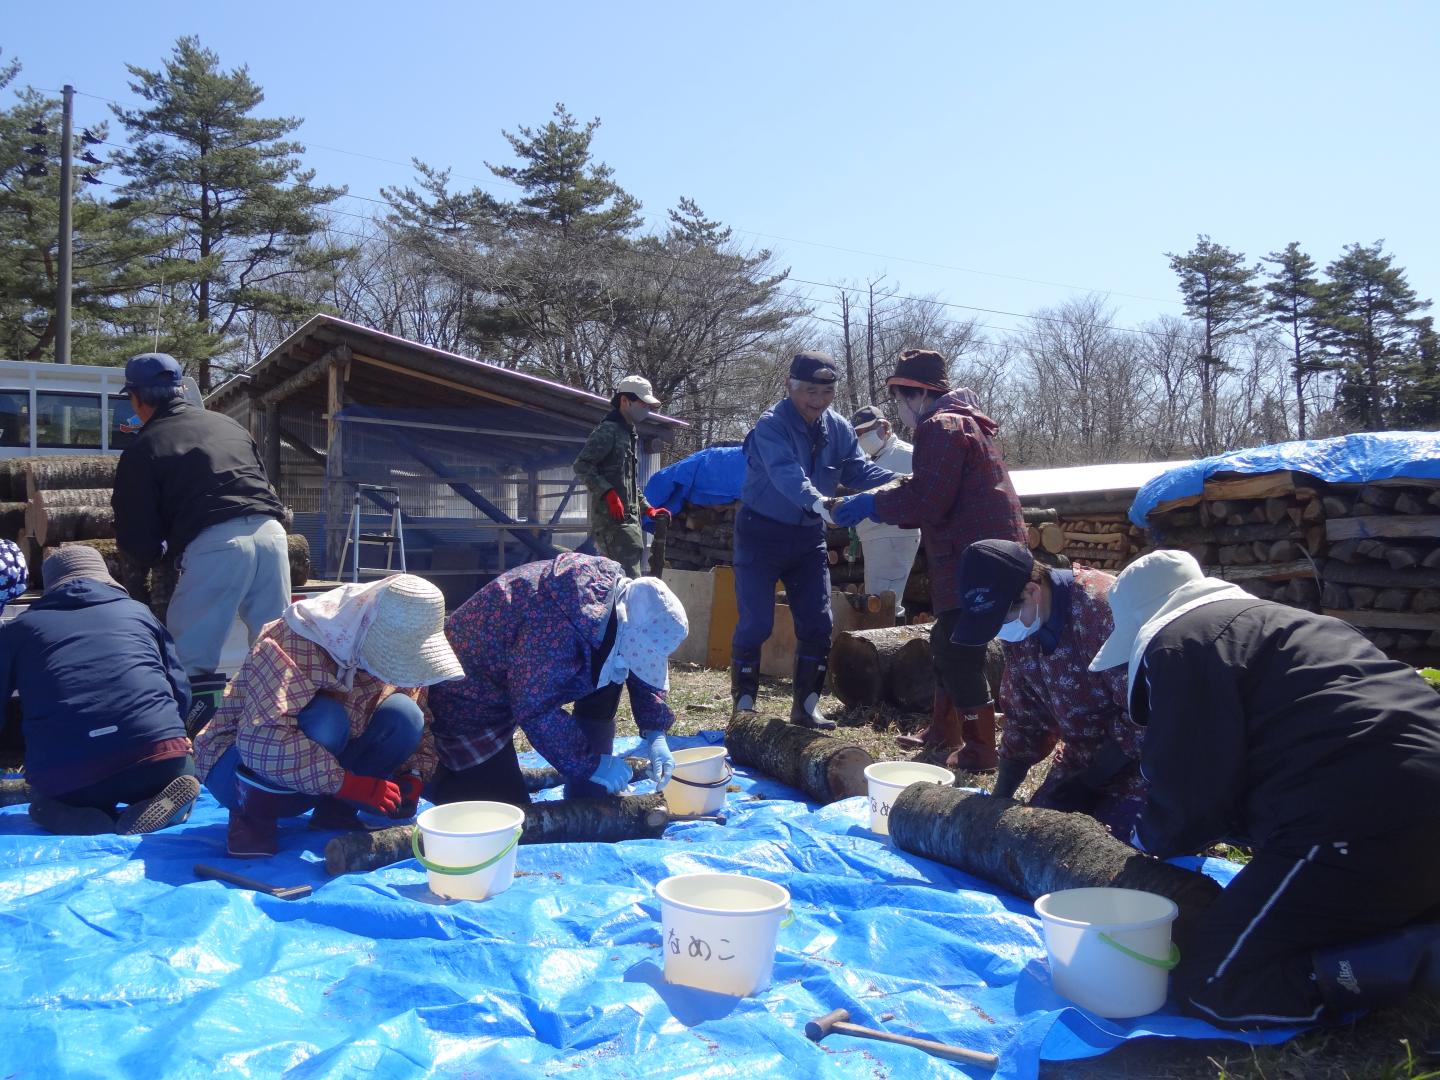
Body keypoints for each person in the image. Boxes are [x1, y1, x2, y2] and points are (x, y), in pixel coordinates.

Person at [1088, 549, 1440, 1027]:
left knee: (1213, 983)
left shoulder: (1178, 644)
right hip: (1409, 789)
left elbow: (1190, 793)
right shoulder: (1286, 622)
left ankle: (1420, 957)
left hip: (1356, 812)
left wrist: (1144, 840)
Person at [832, 349, 1025, 768]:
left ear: (914, 393)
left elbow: (928, 500)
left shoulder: (941, 426)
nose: (900, 408)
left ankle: (979, 748)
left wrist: (872, 504)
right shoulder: (965, 422)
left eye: (900, 398)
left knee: (960, 649)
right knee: (945, 639)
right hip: (978, 549)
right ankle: (943, 730)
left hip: (975, 554)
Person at [193, 574, 462, 858]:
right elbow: (262, 740)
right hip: (235, 767)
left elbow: (419, 712)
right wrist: (348, 784)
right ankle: (252, 820)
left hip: (318, 779)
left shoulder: (403, 648)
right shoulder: (295, 640)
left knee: (406, 715)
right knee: (327, 720)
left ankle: (335, 812)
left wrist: (413, 774)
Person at [111, 352, 291, 733]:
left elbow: (137, 536)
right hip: (273, 537)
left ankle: (191, 748)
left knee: (191, 657)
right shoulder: (227, 425)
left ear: (137, 399)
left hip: (219, 545)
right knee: (275, 648)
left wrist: (146, 571)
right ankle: (277, 734)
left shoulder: (145, 446)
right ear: (179, 390)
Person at [427, 553, 687, 807]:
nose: (636, 660)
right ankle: (431, 777)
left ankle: (586, 794)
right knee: (509, 813)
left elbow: (634, 655)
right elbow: (535, 708)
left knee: (609, 672)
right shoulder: (553, 628)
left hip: (509, 685)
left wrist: (655, 731)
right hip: (466, 700)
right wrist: (589, 763)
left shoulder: (613, 602)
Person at [730, 352, 895, 729]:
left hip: (807, 539)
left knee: (819, 623)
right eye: (810, 391)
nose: (818, 400)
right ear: (790, 386)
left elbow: (856, 468)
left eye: (827, 391)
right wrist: (822, 504)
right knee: (756, 623)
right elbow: (786, 474)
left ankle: (805, 708)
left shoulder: (837, 427)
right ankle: (744, 708)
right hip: (761, 533)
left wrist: (899, 482)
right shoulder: (770, 426)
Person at [948, 539, 1144, 839]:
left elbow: (1145, 717)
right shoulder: (1023, 628)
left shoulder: (1103, 609)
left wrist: (1090, 781)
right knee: (1036, 836)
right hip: (1082, 761)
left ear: (1032, 591)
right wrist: (1000, 799)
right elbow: (1025, 715)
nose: (1002, 631)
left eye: (1004, 620)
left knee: (1113, 844)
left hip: (1142, 764)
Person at [0, 545, 200, 836]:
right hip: (157, 760)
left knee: (48, 797)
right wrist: (171, 734)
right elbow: (180, 689)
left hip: (72, 777)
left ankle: (65, 810)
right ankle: (165, 797)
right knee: (174, 773)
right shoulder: (139, 613)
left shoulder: (20, 629)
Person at [573, 375, 669, 577]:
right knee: (624, 584)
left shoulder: (629, 433)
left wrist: (648, 509)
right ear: (625, 401)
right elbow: (582, 465)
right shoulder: (608, 430)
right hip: (612, 527)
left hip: (629, 524)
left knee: (629, 583)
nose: (646, 409)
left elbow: (629, 482)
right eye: (642, 403)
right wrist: (608, 493)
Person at [847, 405, 922, 624]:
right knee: (877, 601)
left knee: (885, 603)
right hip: (877, 537)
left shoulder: (906, 454)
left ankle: (889, 654)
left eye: (866, 431)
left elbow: (919, 496)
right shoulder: (872, 459)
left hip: (893, 536)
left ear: (885, 427)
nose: (862, 437)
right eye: (858, 434)